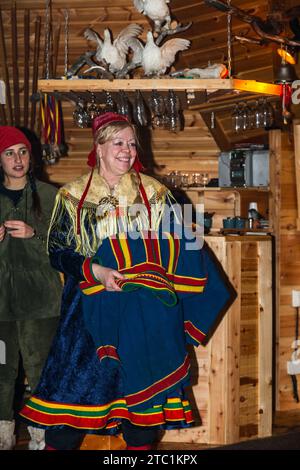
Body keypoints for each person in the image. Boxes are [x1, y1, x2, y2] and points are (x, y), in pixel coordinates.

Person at [21, 112, 231, 450]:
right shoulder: (72, 196)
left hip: (144, 310)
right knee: (69, 406)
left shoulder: (156, 193)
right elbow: (57, 252)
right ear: (99, 147)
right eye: (118, 142)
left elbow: (183, 246)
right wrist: (97, 271)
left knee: (142, 407)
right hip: (87, 309)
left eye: (132, 143)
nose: (127, 150)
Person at [0, 126, 62, 450]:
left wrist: (35, 235)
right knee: (1, 371)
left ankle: (43, 439)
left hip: (41, 303)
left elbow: (67, 246)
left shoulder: (51, 196)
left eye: (22, 151)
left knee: (41, 369)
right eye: (9, 153)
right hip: (0, 307)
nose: (18, 159)